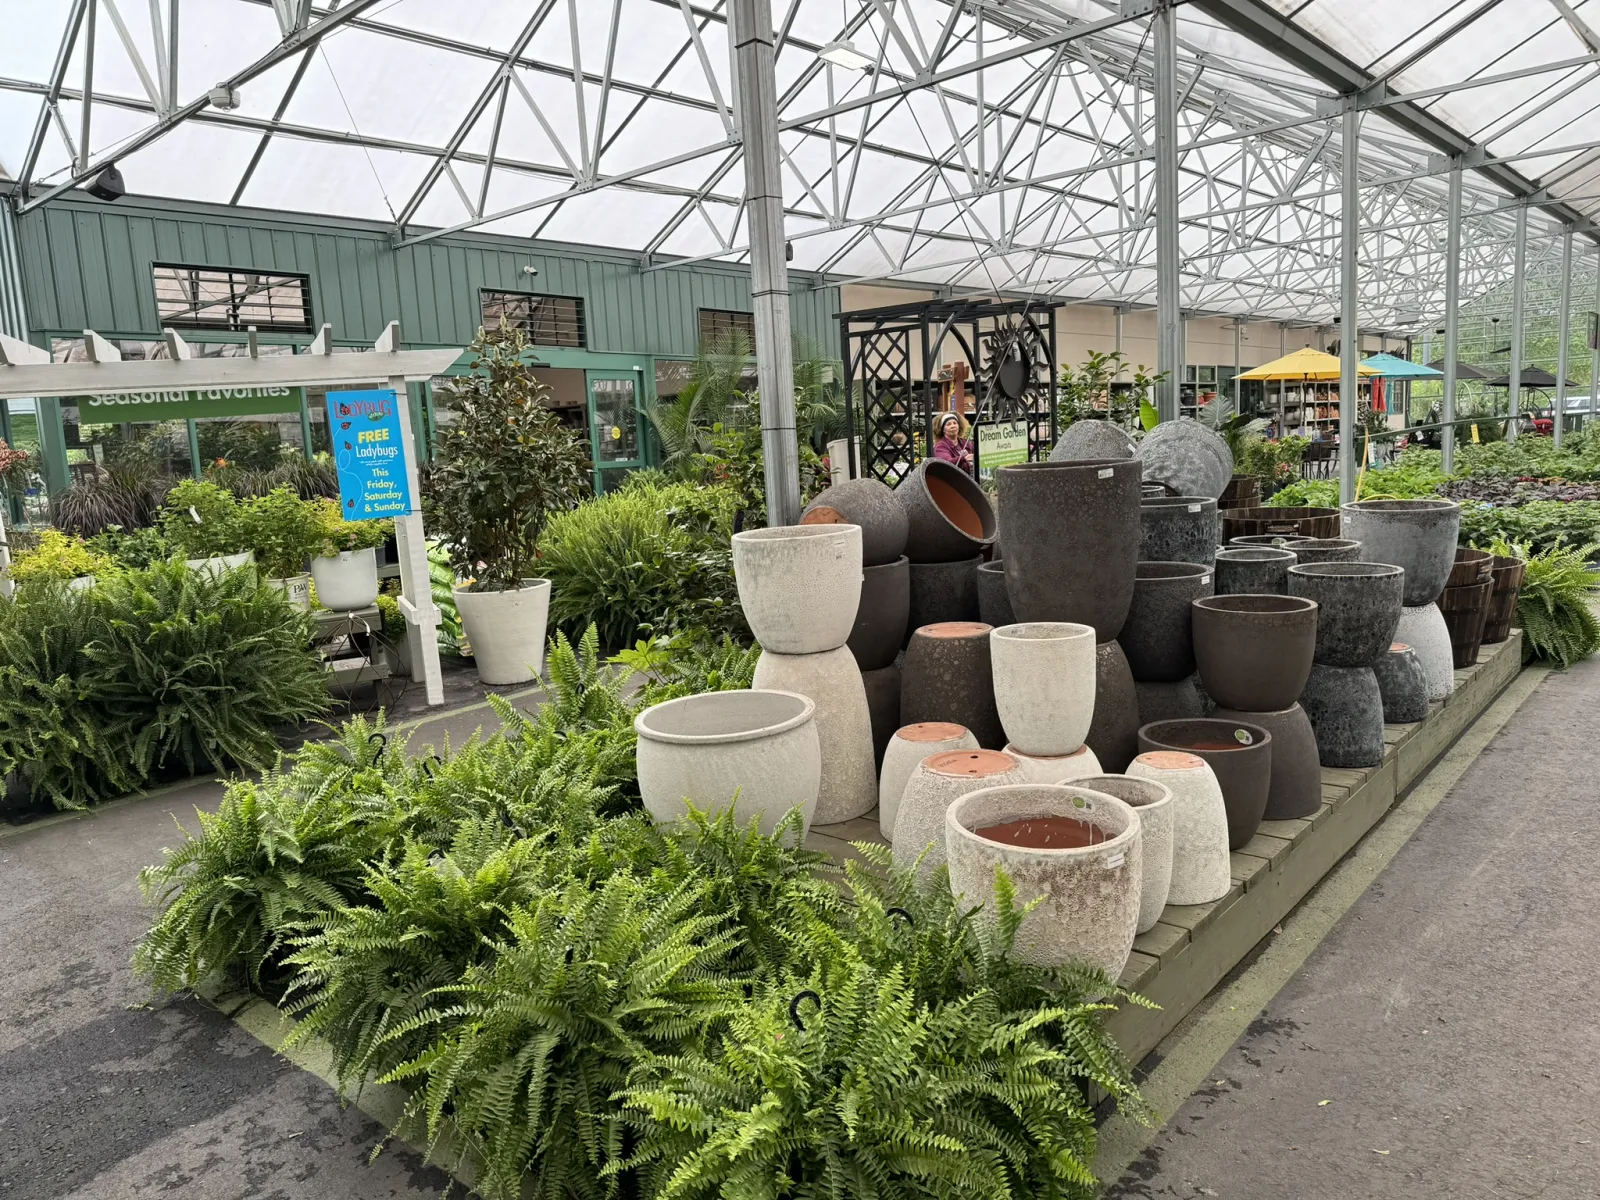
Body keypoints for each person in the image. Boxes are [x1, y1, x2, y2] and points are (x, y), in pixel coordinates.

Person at [932, 411, 975, 476]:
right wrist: (964, 458)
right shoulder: (940, 446)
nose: (953, 426)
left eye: (955, 423)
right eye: (948, 424)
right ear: (943, 430)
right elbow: (947, 464)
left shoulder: (965, 443)